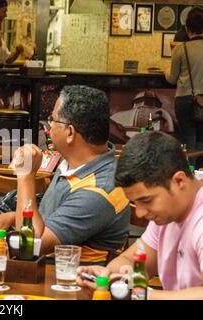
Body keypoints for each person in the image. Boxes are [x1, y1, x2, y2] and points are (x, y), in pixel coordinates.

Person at [0, 85, 130, 265]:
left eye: (53, 120)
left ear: (70, 132)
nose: (49, 125)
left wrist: (26, 176)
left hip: (70, 280)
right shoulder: (73, 161)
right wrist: (12, 216)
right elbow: (58, 211)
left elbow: (29, 245)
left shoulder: (99, 190)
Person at [77, 132, 203, 299]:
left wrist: (142, 294)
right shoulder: (169, 215)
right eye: (135, 202)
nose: (140, 213)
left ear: (179, 181)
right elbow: (129, 262)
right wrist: (108, 277)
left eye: (146, 200)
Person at [166, 7, 203, 168]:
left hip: (185, 99)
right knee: (201, 139)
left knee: (189, 139)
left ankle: (191, 173)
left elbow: (172, 79)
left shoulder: (181, 49)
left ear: (187, 29)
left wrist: (165, 70)